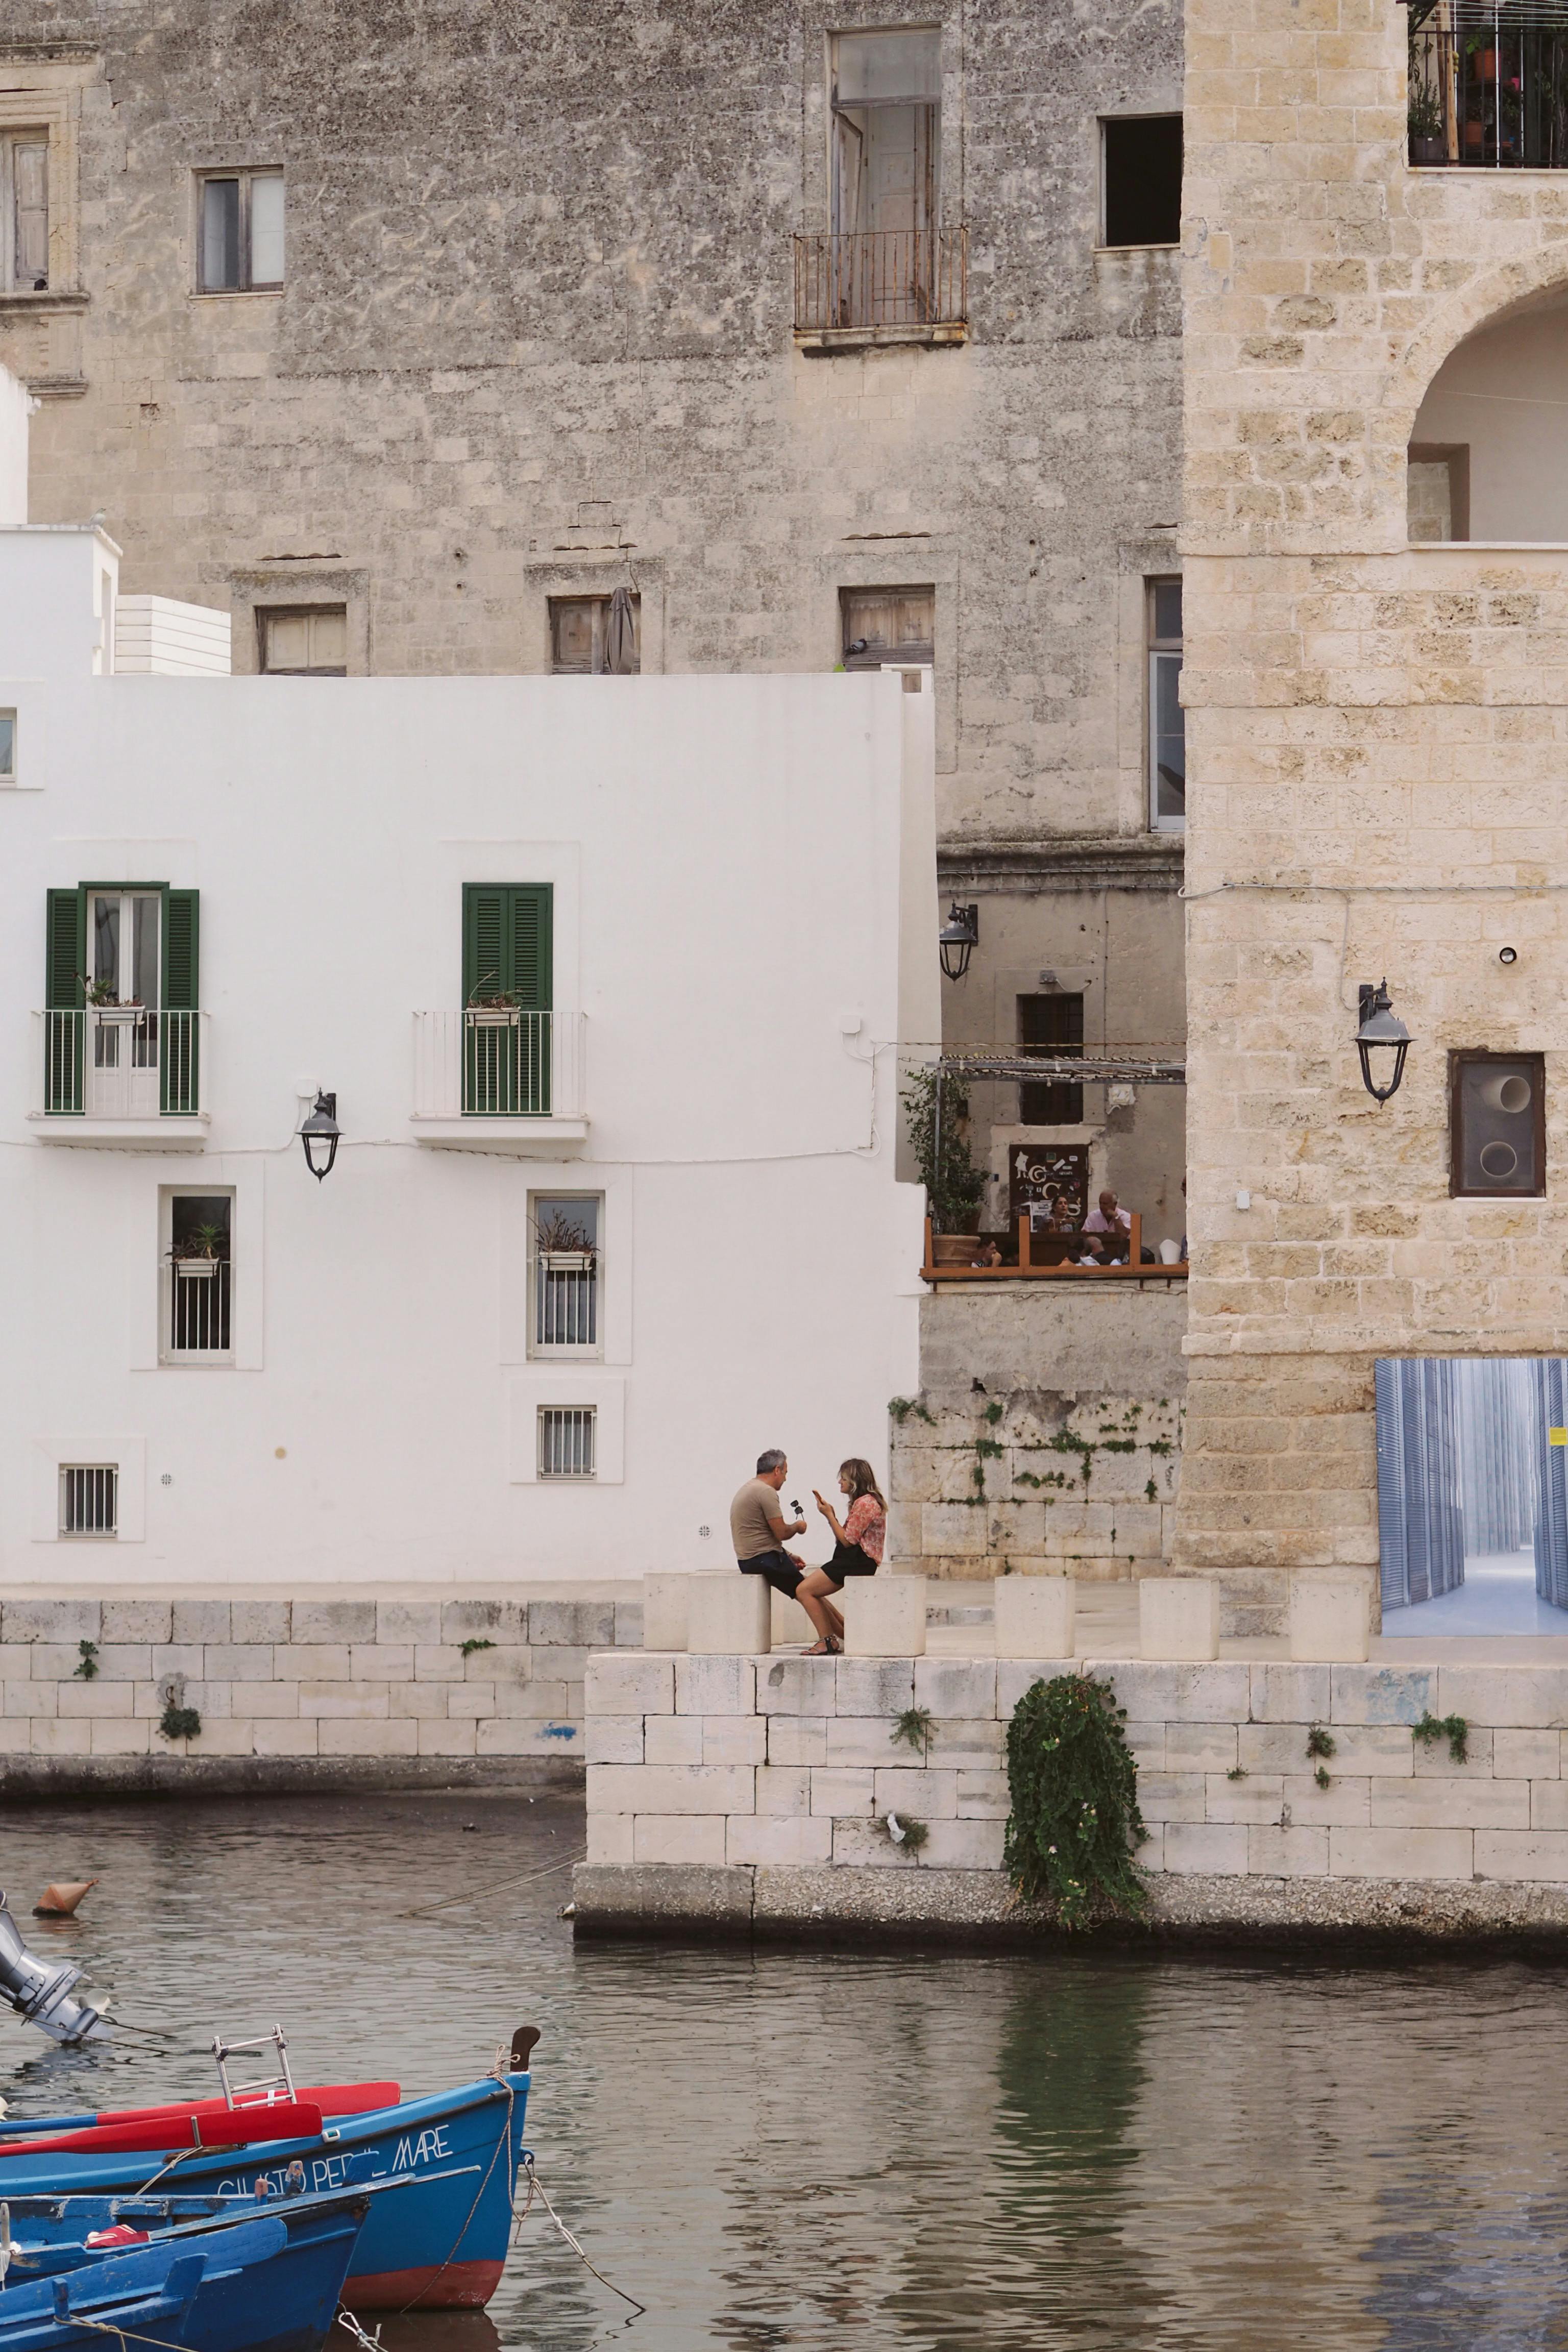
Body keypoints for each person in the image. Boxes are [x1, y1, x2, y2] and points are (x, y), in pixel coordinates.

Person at [730, 1450, 842, 1651]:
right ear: (777, 1470)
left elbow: (762, 1533)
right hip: (763, 1559)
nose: (785, 1479)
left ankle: (844, 1632)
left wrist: (788, 1556)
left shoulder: (749, 1488)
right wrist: (798, 1528)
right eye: (786, 1473)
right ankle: (828, 1641)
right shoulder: (766, 1492)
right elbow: (781, 1532)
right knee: (807, 1592)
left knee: (810, 1590)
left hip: (753, 1558)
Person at [794, 1460, 887, 1654]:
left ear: (854, 1480)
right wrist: (832, 1516)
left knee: (804, 1591)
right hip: (855, 1560)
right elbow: (848, 1536)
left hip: (856, 1561)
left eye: (843, 1478)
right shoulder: (865, 1502)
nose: (839, 1482)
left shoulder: (865, 1504)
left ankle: (827, 1641)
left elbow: (847, 1541)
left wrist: (829, 1516)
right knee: (811, 1592)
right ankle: (842, 1635)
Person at [1079, 1189, 1132, 1265]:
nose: (1102, 1206)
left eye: (1105, 1204)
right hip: (1096, 1257)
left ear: (1115, 1204)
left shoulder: (1125, 1216)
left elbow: (1123, 1237)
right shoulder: (1093, 1216)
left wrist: (1116, 1217)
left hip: (1120, 1256)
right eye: (1100, 1203)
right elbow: (1085, 1237)